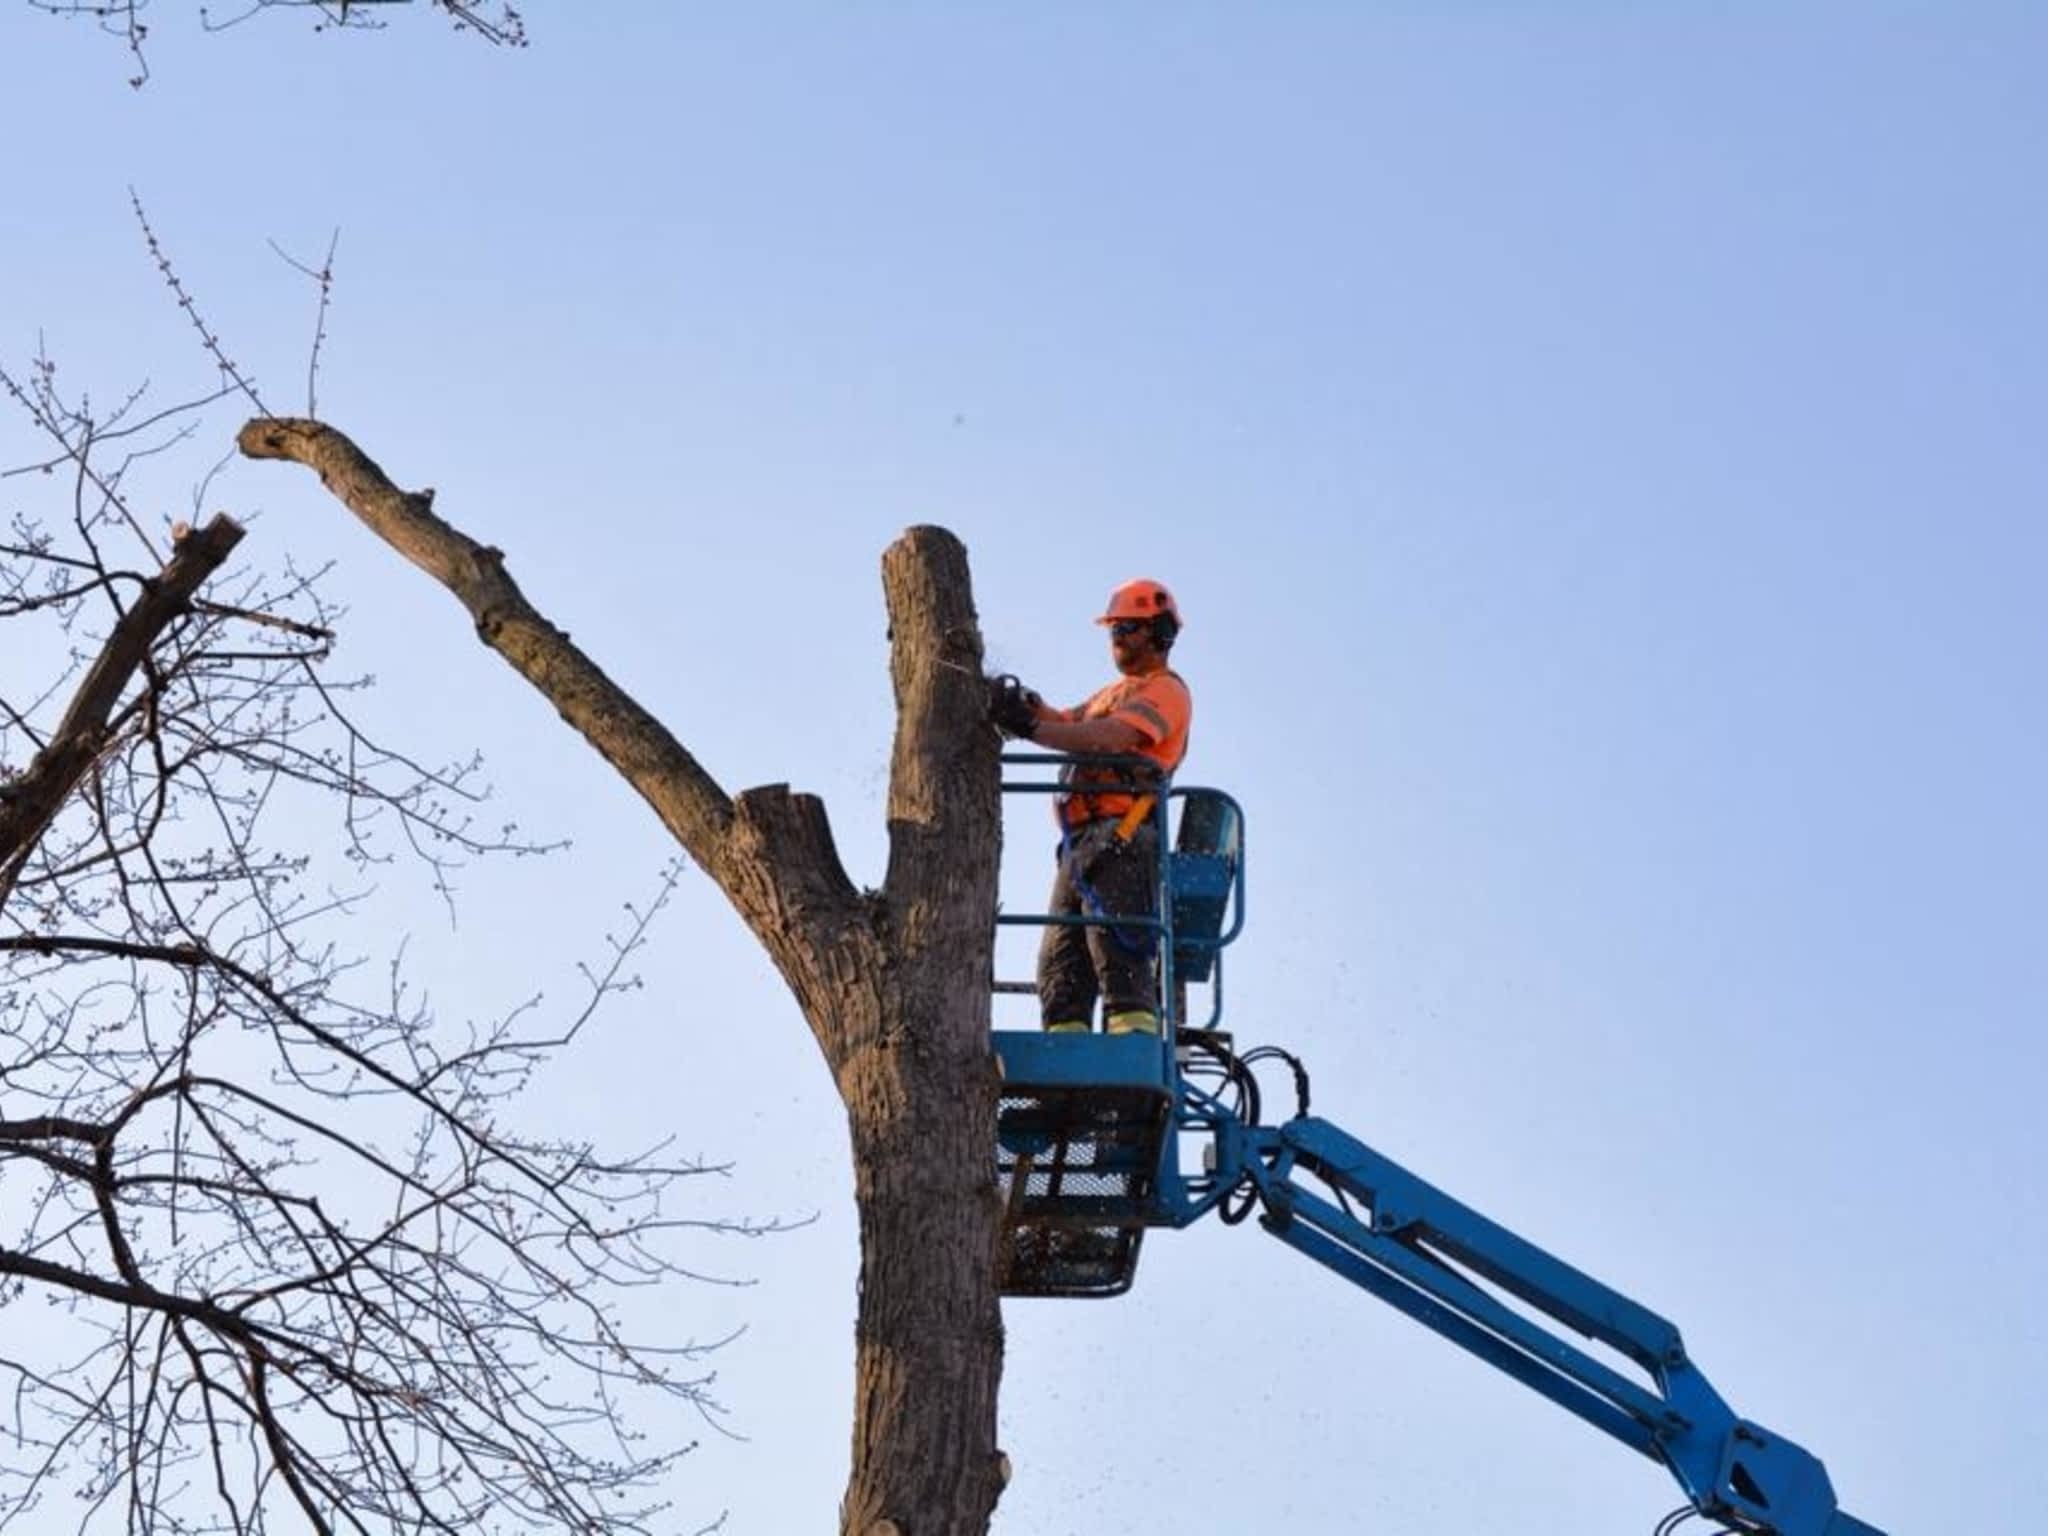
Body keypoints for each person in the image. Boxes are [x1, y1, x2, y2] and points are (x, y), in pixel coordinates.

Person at [990, 579, 1193, 1036]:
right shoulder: (1111, 694)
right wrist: (1027, 706)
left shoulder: (1166, 692)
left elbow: (1107, 738)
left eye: (1127, 627)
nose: (1117, 637)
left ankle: (1131, 1047)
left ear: (1158, 632)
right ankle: (1065, 1061)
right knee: (1059, 968)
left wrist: (1029, 730)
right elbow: (1067, 722)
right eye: (1113, 629)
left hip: (1122, 834)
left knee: (1117, 952)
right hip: (1080, 844)